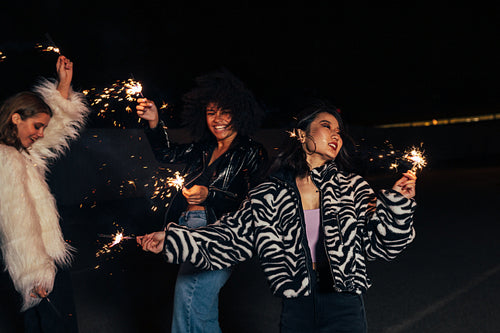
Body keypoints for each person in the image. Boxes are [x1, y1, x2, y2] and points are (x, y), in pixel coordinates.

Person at [138, 100, 417, 333]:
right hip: (297, 306)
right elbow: (230, 237)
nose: (336, 135)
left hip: (345, 303)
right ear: (301, 133)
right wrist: (172, 239)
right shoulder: (270, 194)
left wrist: (398, 205)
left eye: (339, 131)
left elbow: (382, 246)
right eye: (325, 126)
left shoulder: (353, 188)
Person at [136, 69, 268, 333]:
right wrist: (154, 122)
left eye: (224, 111)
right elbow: (166, 153)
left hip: (219, 232)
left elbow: (259, 201)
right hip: (186, 225)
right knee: (198, 308)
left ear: (239, 112)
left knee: (190, 302)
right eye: (211, 112)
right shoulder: (203, 147)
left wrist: (212, 195)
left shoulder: (251, 151)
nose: (217, 119)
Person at [0, 55, 91, 332]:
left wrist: (63, 87)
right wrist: (35, 274)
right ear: (16, 118)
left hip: (42, 260)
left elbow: (57, 129)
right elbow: (17, 222)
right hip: (34, 267)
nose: (41, 133)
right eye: (36, 126)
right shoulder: (7, 159)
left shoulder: (20, 153)